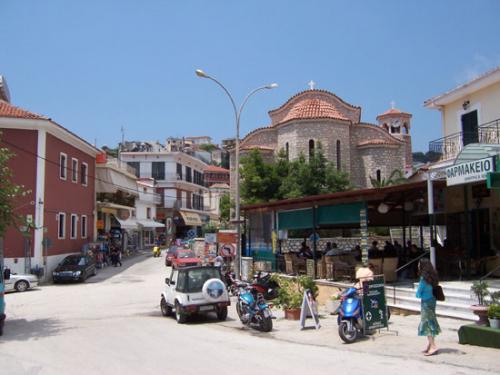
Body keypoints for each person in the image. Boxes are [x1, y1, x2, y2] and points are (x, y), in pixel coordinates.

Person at [416, 258, 441, 356]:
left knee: (426, 323)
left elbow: (418, 293)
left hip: (426, 302)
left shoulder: (423, 279)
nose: (418, 266)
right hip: (432, 300)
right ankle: (430, 345)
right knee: (432, 321)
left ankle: (433, 345)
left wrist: (418, 294)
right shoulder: (433, 276)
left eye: (419, 264)